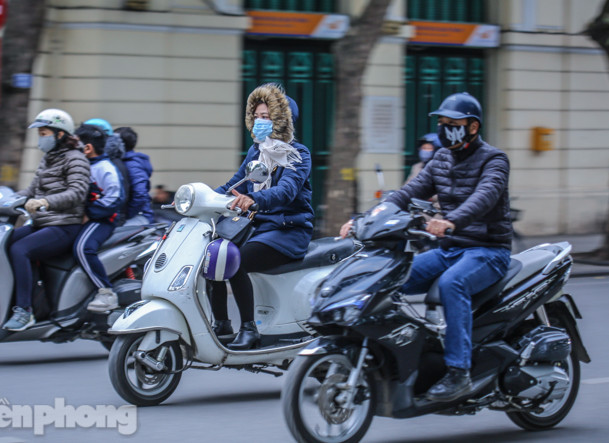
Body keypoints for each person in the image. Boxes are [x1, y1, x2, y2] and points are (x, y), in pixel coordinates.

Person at [340, 92, 512, 401]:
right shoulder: (441, 159)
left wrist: (451, 221)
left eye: (453, 124)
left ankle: (459, 371)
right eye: (442, 123)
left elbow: (485, 196)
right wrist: (363, 219)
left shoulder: (494, 159)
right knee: (388, 278)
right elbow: (406, 194)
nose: (445, 129)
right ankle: (407, 354)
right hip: (449, 250)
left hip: (488, 251)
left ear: (473, 127)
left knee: (452, 284)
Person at [211, 83, 314, 350]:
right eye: (256, 116)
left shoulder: (297, 154)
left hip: (287, 230)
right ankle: (221, 324)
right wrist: (199, 198)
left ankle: (249, 329)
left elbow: (286, 191)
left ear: (281, 121)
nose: (259, 122)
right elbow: (235, 185)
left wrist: (254, 199)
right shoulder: (256, 152)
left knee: (235, 261)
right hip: (259, 228)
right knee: (212, 257)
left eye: (266, 117)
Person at [3, 109, 90, 331]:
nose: (41, 139)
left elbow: (77, 192)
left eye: (44, 133)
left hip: (65, 226)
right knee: (4, 241)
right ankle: (16, 298)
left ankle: (25, 311)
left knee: (20, 249)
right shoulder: (48, 159)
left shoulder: (76, 159)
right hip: (42, 223)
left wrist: (45, 202)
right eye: (40, 134)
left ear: (60, 134)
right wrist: (6, 200)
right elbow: (31, 190)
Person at [73, 124, 124, 312]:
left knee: (83, 248)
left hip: (102, 220)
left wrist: (90, 213)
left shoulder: (105, 168)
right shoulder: (82, 165)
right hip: (86, 217)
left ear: (87, 148)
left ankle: (106, 292)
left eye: (76, 144)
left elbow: (115, 199)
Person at [115, 126, 154, 225]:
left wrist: (127, 214)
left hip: (138, 217)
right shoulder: (126, 161)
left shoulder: (132, 165)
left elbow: (140, 193)